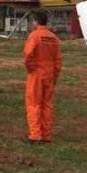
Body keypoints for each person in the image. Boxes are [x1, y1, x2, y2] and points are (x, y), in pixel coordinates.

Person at [23, 9, 62, 144]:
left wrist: (31, 69)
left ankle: (35, 135)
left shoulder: (34, 36)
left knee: (34, 104)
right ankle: (46, 135)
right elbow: (58, 61)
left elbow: (28, 55)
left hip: (36, 75)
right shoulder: (54, 38)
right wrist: (54, 76)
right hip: (50, 75)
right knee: (47, 105)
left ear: (35, 21)